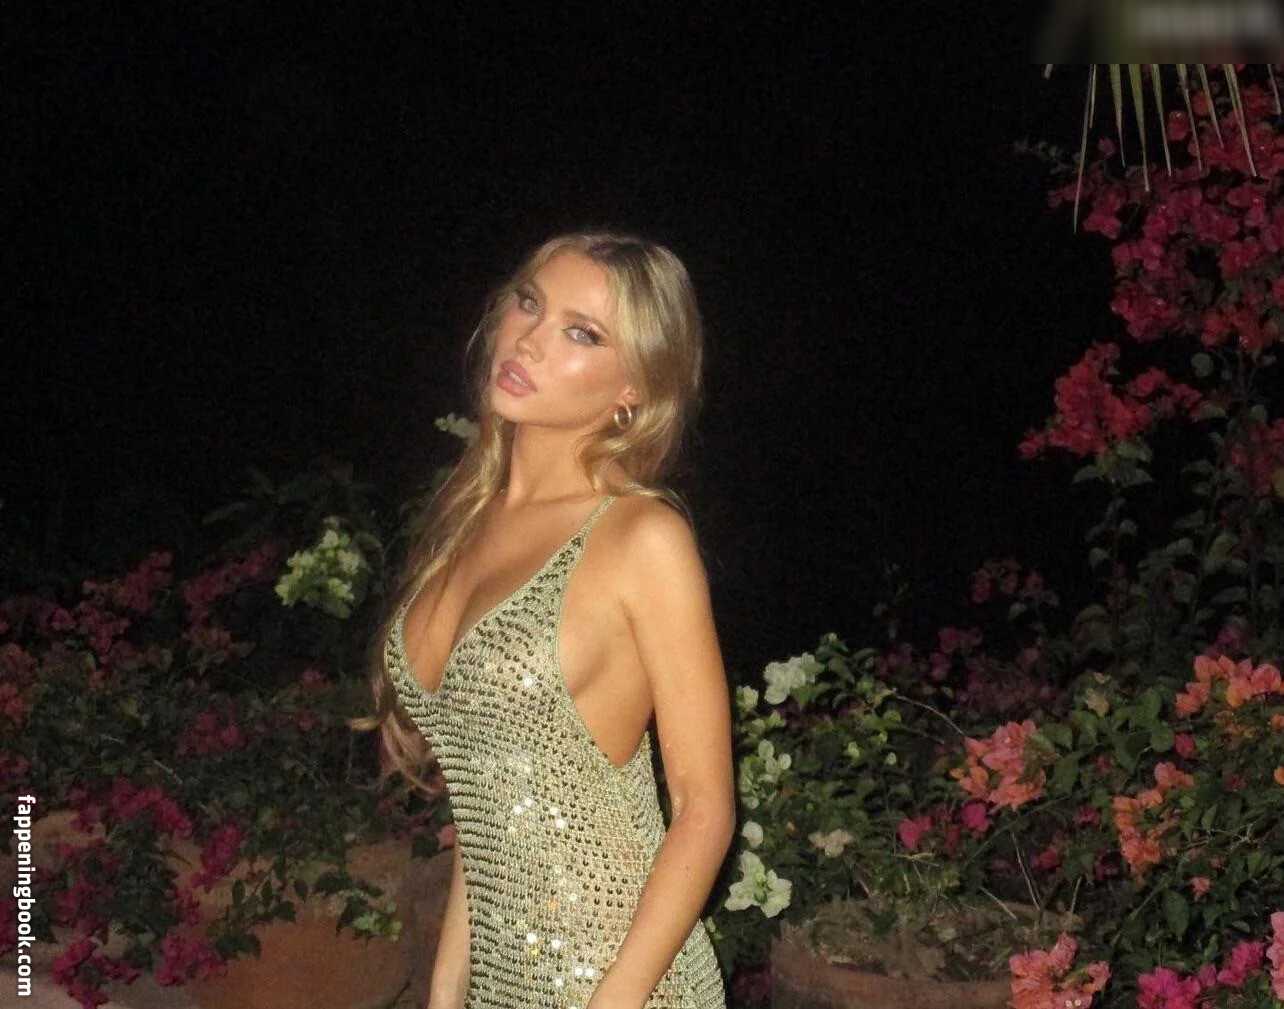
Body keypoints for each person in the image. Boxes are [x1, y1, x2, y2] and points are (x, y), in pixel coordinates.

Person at [363, 231, 735, 1009]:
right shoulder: (469, 521)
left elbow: (704, 810)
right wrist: (446, 990)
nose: (529, 338)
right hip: (505, 981)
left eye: (581, 332)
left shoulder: (640, 537)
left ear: (633, 388)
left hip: (629, 985)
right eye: (529, 303)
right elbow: (492, 800)